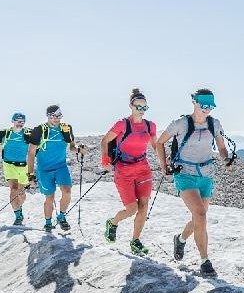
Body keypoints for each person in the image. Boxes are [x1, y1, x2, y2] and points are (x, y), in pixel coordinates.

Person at [156, 88, 234, 276]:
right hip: (185, 174)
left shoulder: (214, 124)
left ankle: (181, 239)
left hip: (206, 174)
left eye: (211, 106)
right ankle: (205, 261)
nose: (207, 109)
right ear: (194, 102)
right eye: (204, 105)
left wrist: (226, 159)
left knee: (200, 217)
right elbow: (159, 142)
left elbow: (222, 148)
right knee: (200, 214)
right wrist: (163, 165)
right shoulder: (181, 124)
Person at [100, 88, 164, 256]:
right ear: (131, 106)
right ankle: (113, 223)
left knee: (143, 207)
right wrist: (105, 161)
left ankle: (135, 241)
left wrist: (164, 162)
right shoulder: (123, 124)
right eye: (138, 107)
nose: (141, 111)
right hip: (124, 170)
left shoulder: (150, 125)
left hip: (143, 169)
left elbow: (155, 145)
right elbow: (105, 140)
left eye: (144, 108)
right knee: (131, 209)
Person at [26, 104, 85, 232]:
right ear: (48, 116)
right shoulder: (39, 130)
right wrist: (30, 174)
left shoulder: (66, 128)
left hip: (61, 166)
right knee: (50, 197)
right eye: (54, 116)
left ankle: (61, 217)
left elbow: (72, 147)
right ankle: (48, 222)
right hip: (44, 169)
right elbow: (31, 153)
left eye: (59, 116)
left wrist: (80, 150)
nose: (56, 119)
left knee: (67, 192)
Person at [0, 112, 32, 226]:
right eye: (18, 121)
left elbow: (38, 145)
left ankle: (19, 207)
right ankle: (18, 215)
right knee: (14, 189)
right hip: (9, 165)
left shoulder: (28, 133)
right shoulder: (5, 133)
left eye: (22, 121)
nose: (20, 123)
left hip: (23, 166)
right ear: (12, 121)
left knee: (21, 193)